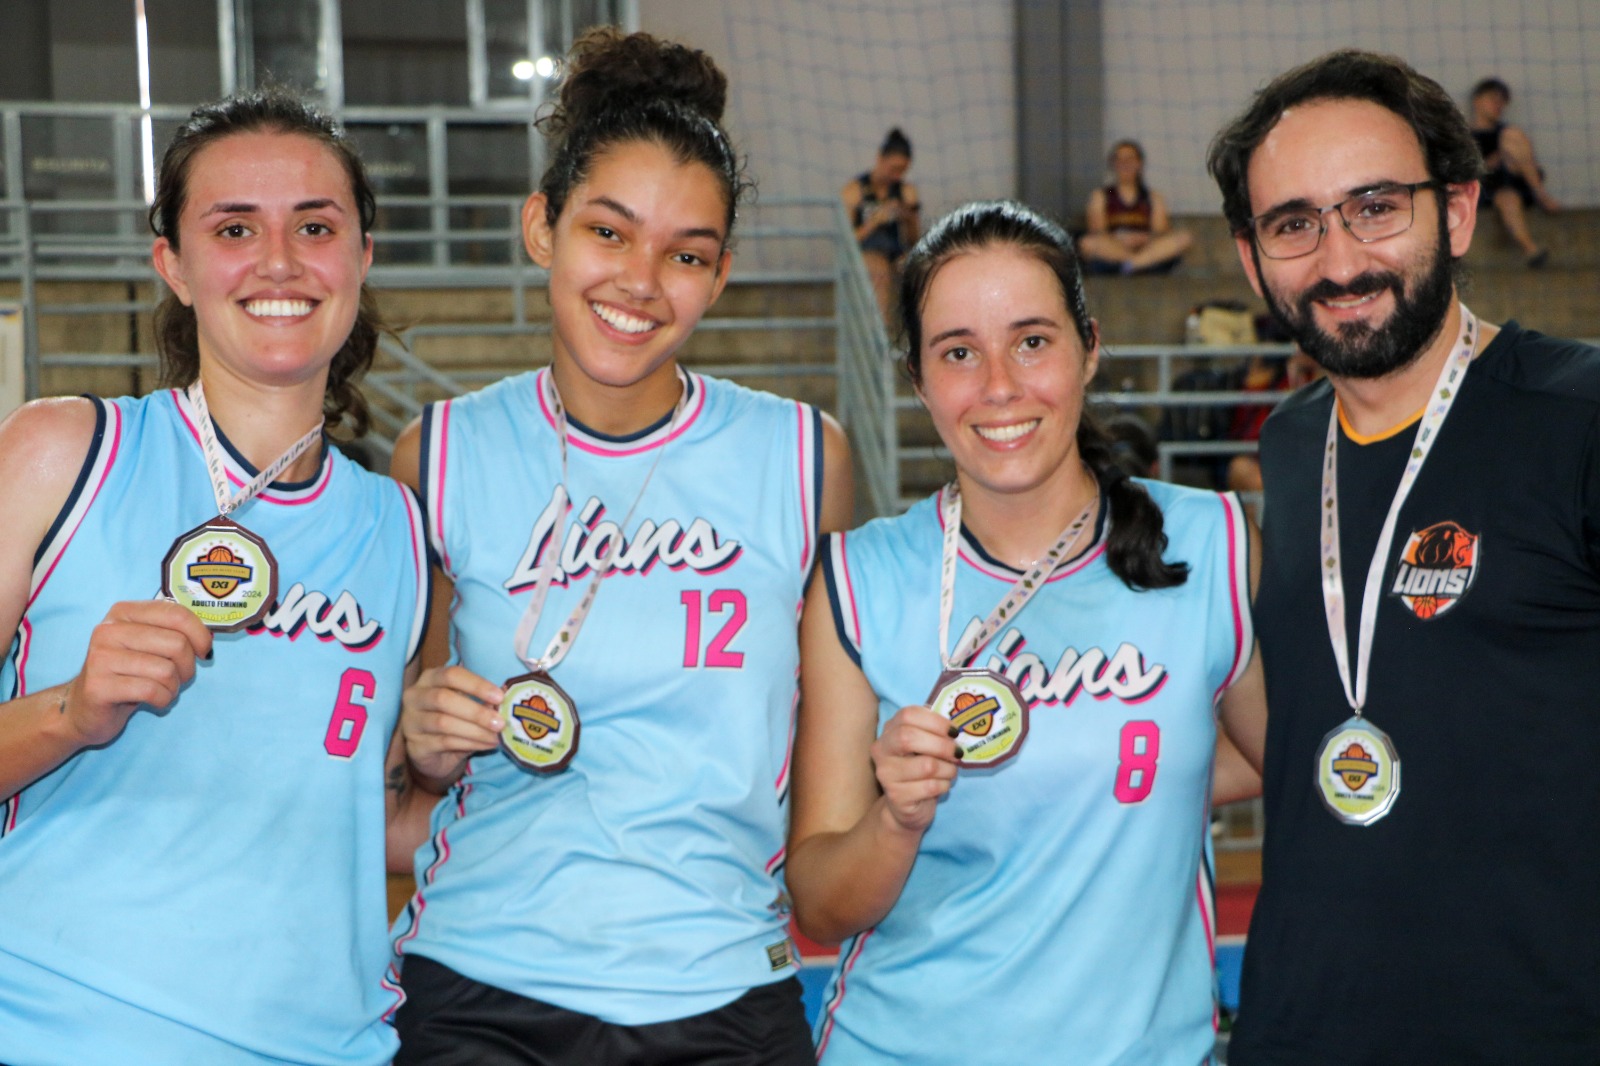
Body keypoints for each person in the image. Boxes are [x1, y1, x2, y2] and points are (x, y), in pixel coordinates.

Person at [384, 28, 853, 1065]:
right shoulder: (442, 455)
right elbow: (394, 782)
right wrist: (419, 737)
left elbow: (831, 773)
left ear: (720, 275)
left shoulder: (802, 459)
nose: (641, 281)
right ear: (541, 226)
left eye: (685, 253)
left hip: (725, 985)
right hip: (479, 988)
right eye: (608, 232)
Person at [0, 89, 429, 1064]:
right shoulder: (62, 454)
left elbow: (377, 822)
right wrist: (70, 711)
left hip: (325, 1046)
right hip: (56, 1035)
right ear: (173, 263)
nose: (279, 261)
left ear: (362, 255)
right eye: (235, 228)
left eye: (315, 227)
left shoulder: (401, 529)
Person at [786, 200, 1266, 1065]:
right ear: (918, 379)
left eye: (1033, 341)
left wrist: (1132, 778)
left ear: (1089, 346)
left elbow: (1296, 757)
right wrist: (897, 819)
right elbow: (820, 904)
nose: (999, 385)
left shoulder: (1213, 544)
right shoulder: (861, 580)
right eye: (958, 352)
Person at [1207, 48, 1600, 1064]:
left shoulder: (1578, 416)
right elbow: (1302, 718)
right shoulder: (1289, 444)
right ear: (1252, 258)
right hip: (1302, 1024)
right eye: (1294, 223)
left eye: (1375, 207)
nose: (1339, 261)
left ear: (1457, 212)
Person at [1469, 76, 1559, 267]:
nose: (1499, 105)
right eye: (1493, 99)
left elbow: (1534, 169)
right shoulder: (1465, 135)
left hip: (1514, 182)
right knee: (1507, 198)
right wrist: (1492, 161)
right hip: (1487, 188)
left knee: (1512, 136)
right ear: (1477, 100)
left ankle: (1541, 195)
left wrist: (1507, 156)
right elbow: (1463, 174)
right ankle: (1531, 250)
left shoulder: (1507, 132)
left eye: (1502, 101)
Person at [1078, 139, 1194, 275]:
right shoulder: (1102, 195)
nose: (1125, 164)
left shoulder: (1153, 197)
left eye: (1130, 159)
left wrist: (1141, 238)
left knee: (1184, 238)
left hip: (1147, 249)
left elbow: (1160, 232)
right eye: (1120, 159)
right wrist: (1121, 239)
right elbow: (1097, 232)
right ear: (1113, 164)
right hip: (1114, 252)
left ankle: (1131, 265)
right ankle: (1135, 263)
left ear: (1139, 163)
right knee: (1087, 243)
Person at [841, 128, 921, 324]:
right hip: (866, 250)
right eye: (894, 169)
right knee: (879, 271)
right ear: (880, 159)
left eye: (902, 171)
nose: (897, 176)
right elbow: (846, 240)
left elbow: (914, 241)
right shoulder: (854, 191)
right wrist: (875, 221)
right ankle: (881, 332)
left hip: (896, 251)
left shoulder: (905, 192)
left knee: (919, 270)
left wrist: (909, 218)